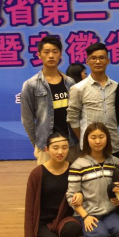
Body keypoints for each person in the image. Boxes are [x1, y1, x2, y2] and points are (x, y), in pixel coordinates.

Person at [66, 123, 119, 237]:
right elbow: (71, 196)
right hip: (88, 212)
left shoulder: (115, 162)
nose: (98, 141)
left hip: (109, 212)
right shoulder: (78, 165)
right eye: (93, 137)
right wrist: (85, 216)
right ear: (86, 140)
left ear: (107, 138)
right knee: (99, 234)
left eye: (101, 137)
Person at [23, 132, 81, 237]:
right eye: (55, 148)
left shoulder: (73, 169)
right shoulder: (37, 174)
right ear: (47, 149)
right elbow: (29, 209)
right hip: (43, 224)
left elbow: (82, 190)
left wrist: (80, 194)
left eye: (64, 147)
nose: (60, 152)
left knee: (74, 228)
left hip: (63, 220)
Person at [21, 35, 79, 164]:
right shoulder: (31, 85)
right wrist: (38, 144)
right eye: (46, 52)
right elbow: (27, 119)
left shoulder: (70, 82)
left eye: (55, 52)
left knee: (73, 177)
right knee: (47, 177)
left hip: (71, 145)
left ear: (60, 54)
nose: (51, 56)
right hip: (46, 148)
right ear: (39, 55)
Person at [67, 43, 119, 156]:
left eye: (102, 58)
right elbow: (73, 118)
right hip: (90, 148)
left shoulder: (116, 87)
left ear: (108, 61)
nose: (98, 61)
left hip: (113, 145)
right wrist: (85, 138)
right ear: (87, 61)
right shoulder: (78, 88)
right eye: (93, 58)